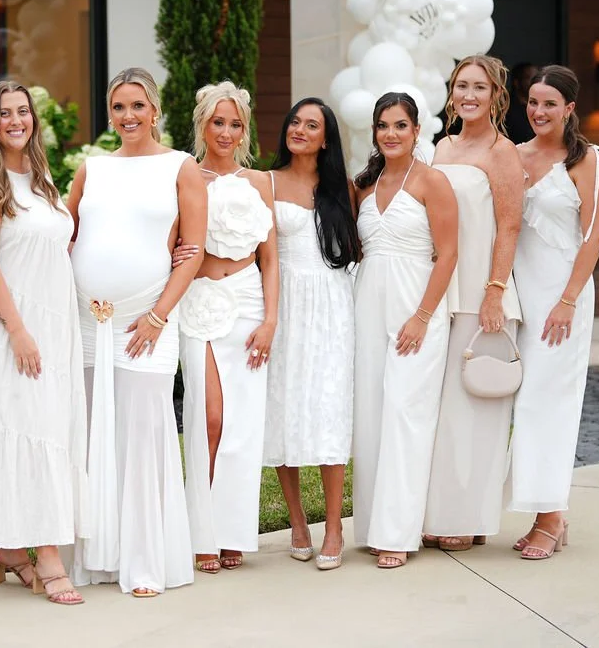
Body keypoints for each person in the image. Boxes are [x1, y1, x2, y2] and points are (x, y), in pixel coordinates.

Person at [66, 67, 206, 597]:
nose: (129, 116)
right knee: (94, 433)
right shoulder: (91, 169)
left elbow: (190, 254)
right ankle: (99, 558)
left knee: (143, 434)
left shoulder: (181, 167)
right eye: (119, 107)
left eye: (138, 106)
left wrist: (156, 315)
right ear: (110, 113)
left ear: (156, 111)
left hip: (146, 320)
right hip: (89, 320)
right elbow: (66, 234)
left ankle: (146, 561)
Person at [0, 80, 88, 604]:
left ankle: (10, 550)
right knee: (28, 429)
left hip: (54, 326)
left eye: (23, 111)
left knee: (49, 430)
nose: (16, 121)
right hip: (11, 326)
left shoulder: (41, 178)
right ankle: (48, 556)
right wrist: (16, 329)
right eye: (4, 113)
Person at [170, 81, 277, 574]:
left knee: (241, 424)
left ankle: (232, 533)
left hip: (249, 303)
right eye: (219, 122)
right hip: (199, 303)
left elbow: (271, 260)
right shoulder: (185, 174)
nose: (227, 132)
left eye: (236, 124)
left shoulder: (259, 182)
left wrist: (271, 320)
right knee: (208, 419)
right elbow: (168, 239)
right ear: (203, 125)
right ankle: (200, 533)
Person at [422, 55, 525, 552]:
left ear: (495, 95)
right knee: (445, 414)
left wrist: (494, 291)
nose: (468, 95)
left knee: (476, 413)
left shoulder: (502, 151)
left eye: (479, 87)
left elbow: (509, 225)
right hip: (443, 292)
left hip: (483, 296)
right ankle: (442, 512)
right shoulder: (442, 147)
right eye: (461, 85)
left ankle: (468, 517)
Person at [351, 92, 458, 569]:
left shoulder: (433, 182)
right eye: (382, 125)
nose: (390, 133)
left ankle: (399, 532)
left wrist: (422, 316)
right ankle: (375, 524)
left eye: (400, 125)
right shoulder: (365, 184)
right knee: (371, 414)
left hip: (416, 309)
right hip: (368, 305)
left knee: (405, 415)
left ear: (417, 131)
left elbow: (449, 253)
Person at [507, 65, 599, 559]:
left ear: (569, 108)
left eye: (550, 103)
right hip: (518, 296)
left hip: (561, 298)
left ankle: (550, 517)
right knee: (519, 402)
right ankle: (543, 510)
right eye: (533, 101)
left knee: (547, 403)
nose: (539, 111)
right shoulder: (514, 155)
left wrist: (568, 300)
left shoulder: (585, 159)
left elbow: (593, 238)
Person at [262, 97, 359, 570]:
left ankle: (335, 527)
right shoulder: (267, 182)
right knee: (283, 408)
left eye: (312, 125)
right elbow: (263, 255)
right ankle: (298, 521)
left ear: (327, 138)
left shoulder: (342, 188)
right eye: (295, 121)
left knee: (328, 409)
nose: (300, 129)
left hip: (333, 307)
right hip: (284, 304)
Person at [505, 62, 538, 145]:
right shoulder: (505, 107)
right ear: (517, 82)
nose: (534, 82)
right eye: (529, 78)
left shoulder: (541, 105)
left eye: (536, 78)